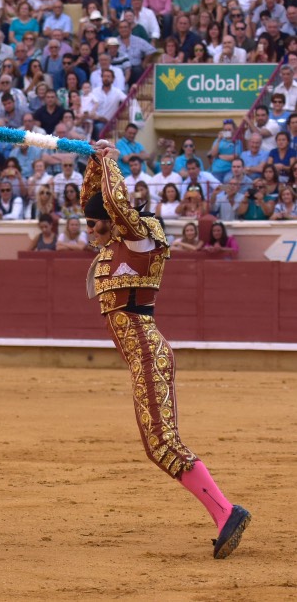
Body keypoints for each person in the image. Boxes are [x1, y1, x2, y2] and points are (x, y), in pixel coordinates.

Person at [81, 139, 250, 560]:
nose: (88, 230)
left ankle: (227, 510)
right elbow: (97, 201)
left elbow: (115, 206)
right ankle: (225, 510)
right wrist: (93, 159)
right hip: (141, 356)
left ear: (112, 223)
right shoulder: (117, 244)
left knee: (161, 442)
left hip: (148, 351)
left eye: (92, 224)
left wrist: (111, 164)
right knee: (158, 441)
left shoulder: (140, 239)